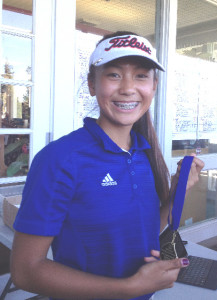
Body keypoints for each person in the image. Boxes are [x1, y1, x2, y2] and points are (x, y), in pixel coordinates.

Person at [10, 31, 204, 300]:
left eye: (141, 75)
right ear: (92, 84)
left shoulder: (142, 153)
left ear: (154, 86)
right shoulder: (59, 159)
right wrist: (130, 288)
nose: (127, 88)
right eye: (113, 74)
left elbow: (144, 230)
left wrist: (174, 197)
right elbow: (25, 271)